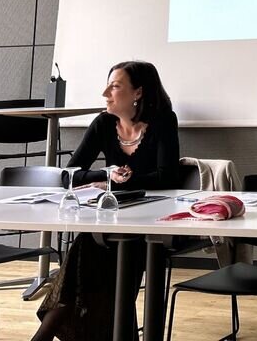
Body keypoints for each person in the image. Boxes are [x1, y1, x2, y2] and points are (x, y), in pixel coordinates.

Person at [34, 60, 180, 341]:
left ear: (138, 92)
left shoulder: (163, 121)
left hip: (148, 224)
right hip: (111, 221)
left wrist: (123, 180)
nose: (105, 93)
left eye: (114, 86)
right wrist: (106, 174)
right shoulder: (103, 123)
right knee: (90, 251)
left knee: (88, 253)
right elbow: (70, 174)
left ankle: (43, 337)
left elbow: (168, 178)